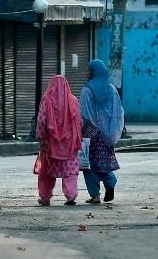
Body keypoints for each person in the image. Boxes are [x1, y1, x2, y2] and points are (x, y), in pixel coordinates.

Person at [80, 59, 124, 204]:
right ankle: (110, 181)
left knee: (88, 164)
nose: (87, 73)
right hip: (107, 134)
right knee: (102, 162)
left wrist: (83, 130)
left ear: (94, 72)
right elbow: (118, 111)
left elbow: (84, 113)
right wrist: (112, 131)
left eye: (89, 70)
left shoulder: (87, 90)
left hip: (90, 133)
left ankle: (96, 194)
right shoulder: (111, 89)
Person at [34, 75, 82, 206]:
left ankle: (45, 197)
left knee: (47, 172)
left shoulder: (46, 101)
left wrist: (40, 136)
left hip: (51, 144)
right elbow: (79, 121)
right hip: (70, 144)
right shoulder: (73, 100)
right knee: (70, 170)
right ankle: (71, 195)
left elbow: (41, 121)